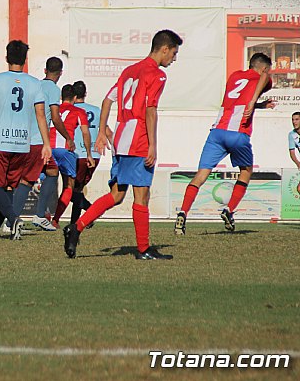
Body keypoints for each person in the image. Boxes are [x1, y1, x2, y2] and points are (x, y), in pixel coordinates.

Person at [63, 29, 183, 260]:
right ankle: (143, 249)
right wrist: (153, 145)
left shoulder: (130, 71)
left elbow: (108, 99)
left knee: (117, 194)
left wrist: (102, 131)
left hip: (121, 138)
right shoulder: (157, 75)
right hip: (137, 139)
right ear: (165, 49)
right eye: (174, 53)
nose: (174, 59)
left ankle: (76, 228)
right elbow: (150, 110)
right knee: (142, 195)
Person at [174, 53, 275, 235]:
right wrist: (254, 101)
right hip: (238, 133)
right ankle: (229, 210)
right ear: (264, 68)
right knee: (246, 171)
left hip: (217, 132)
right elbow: (265, 78)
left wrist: (259, 105)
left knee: (200, 175)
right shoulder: (263, 76)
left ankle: (182, 213)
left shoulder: (235, 76)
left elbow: (238, 101)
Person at [0, 40, 52, 240]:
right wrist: (46, 144)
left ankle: (13, 219)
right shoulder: (34, 83)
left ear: (6, 58)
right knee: (9, 186)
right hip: (23, 144)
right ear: (25, 60)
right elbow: (40, 114)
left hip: (1, 142)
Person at [4, 56, 74, 233]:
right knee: (31, 179)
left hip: (23, 138)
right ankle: (30, 217)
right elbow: (55, 117)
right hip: (37, 141)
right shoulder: (53, 89)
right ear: (60, 73)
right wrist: (68, 137)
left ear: (45, 70)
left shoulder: (33, 84)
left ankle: (17, 219)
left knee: (43, 173)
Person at [49, 84, 94, 227]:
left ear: (61, 97)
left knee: (46, 180)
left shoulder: (52, 110)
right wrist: (88, 154)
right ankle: (55, 220)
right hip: (65, 150)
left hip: (49, 148)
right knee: (69, 186)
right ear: (75, 97)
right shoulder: (79, 111)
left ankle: (42, 212)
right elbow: (85, 133)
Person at [70, 80, 108, 225]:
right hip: (95, 154)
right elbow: (106, 130)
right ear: (85, 94)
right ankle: (77, 222)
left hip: (78, 154)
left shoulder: (71, 110)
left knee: (72, 191)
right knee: (78, 190)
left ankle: (91, 210)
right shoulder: (96, 110)